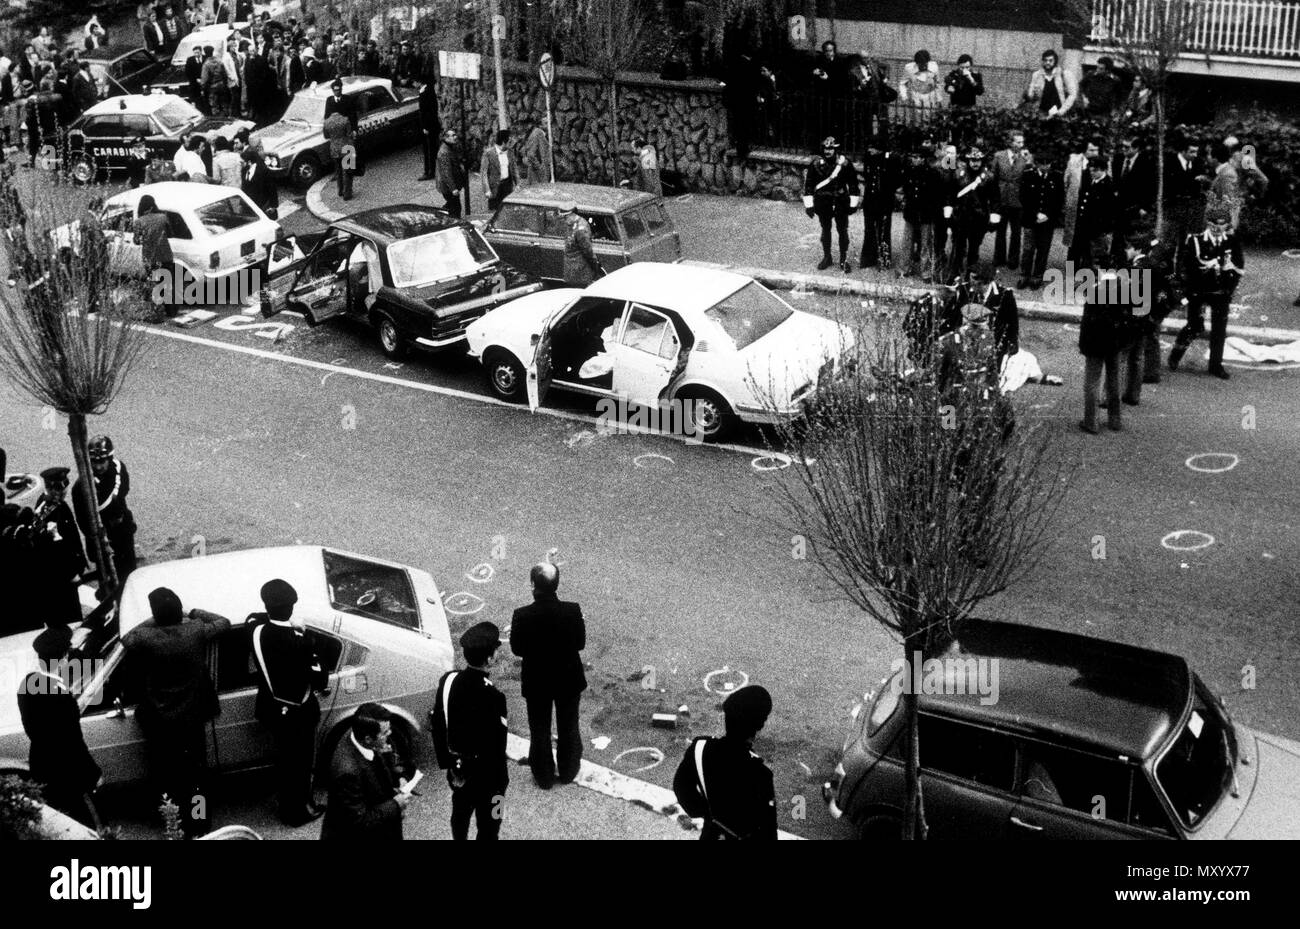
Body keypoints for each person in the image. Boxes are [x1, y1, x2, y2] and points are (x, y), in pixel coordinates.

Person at [122, 586, 230, 836]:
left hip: (159, 722)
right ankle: (200, 823)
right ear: (179, 611)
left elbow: (127, 637)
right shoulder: (194, 630)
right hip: (192, 719)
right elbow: (222, 622)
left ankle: (174, 824)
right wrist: (191, 611)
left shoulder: (146, 638)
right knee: (197, 778)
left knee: (166, 777)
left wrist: (154, 619)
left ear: (155, 614)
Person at [247, 578, 327, 826]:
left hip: (271, 707)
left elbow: (254, 617)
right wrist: (303, 634)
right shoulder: (300, 642)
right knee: (300, 766)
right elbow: (320, 679)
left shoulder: (255, 630)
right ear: (291, 607)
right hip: (298, 712)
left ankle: (288, 802)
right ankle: (296, 812)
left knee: (284, 760)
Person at [509, 562, 585, 789]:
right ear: (557, 584)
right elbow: (580, 643)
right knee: (569, 725)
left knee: (540, 729)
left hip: (537, 680)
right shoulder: (572, 610)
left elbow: (517, 649)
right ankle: (568, 770)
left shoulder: (522, 615)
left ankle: (543, 775)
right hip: (568, 678)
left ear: (533, 585)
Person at [17, 625, 102, 827]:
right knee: (85, 825)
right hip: (67, 774)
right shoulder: (62, 699)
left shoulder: (27, 684)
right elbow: (74, 743)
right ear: (63, 658)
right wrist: (93, 774)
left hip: (41, 765)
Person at [431, 621, 509, 840]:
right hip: (492, 780)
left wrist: (449, 763)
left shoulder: (448, 681)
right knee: (493, 820)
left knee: (460, 814)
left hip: (459, 772)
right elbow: (498, 746)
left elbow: (438, 724)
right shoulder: (494, 698)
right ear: (490, 658)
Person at [672, 685, 776, 840]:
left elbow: (681, 787)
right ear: (760, 725)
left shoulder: (699, 748)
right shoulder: (760, 774)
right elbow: (767, 833)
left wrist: (707, 813)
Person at [1168, 205, 1241, 380]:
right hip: (1198, 290)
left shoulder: (1232, 241)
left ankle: (1216, 366)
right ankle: (1175, 354)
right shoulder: (1195, 241)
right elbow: (1185, 265)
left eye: (1222, 226)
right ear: (1208, 224)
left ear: (1227, 226)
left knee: (1219, 329)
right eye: (1213, 225)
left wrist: (1229, 288)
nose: (1217, 230)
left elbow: (1239, 266)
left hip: (1221, 291)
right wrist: (1185, 288)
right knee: (1194, 325)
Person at [320, 702, 408, 841]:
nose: (390, 734)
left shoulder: (359, 734)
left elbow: (386, 755)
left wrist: (399, 777)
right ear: (368, 739)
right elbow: (360, 821)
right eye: (385, 733)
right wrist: (396, 805)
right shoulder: (347, 773)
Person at [72, 435, 137, 584]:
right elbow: (83, 521)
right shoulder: (81, 487)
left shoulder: (119, 468)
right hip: (102, 539)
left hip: (122, 532)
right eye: (94, 462)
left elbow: (122, 490)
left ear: (110, 458)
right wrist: (102, 540)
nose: (98, 466)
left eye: (102, 461)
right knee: (109, 582)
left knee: (129, 574)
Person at [1078, 261, 1132, 433]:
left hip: (1095, 342)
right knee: (1115, 380)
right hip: (1115, 342)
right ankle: (1115, 420)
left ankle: (1091, 421)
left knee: (1092, 381)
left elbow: (1087, 321)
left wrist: (1083, 344)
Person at [32, 466, 87, 628]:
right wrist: (72, 573)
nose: (62, 492)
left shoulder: (58, 504)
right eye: (57, 489)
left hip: (65, 576)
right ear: (48, 487)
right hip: (59, 581)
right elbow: (54, 550)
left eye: (64, 487)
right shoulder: (46, 512)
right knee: (68, 621)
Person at [802, 135, 861, 272]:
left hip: (840, 201)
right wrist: (809, 205)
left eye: (830, 149)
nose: (827, 151)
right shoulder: (816, 164)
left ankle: (843, 259)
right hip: (823, 202)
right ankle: (827, 257)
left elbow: (853, 184)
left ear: (835, 149)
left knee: (842, 231)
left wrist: (853, 204)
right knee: (825, 230)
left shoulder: (845, 164)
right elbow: (809, 184)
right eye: (825, 148)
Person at [946, 147, 997, 280]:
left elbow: (995, 199)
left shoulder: (989, 177)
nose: (975, 163)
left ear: (982, 161)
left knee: (974, 249)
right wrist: (948, 214)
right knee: (958, 247)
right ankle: (954, 274)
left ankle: (970, 276)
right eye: (973, 160)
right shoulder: (958, 174)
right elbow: (950, 196)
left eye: (978, 160)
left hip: (978, 218)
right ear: (968, 160)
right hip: (960, 217)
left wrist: (994, 218)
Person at [1017, 151, 1064, 289]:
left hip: (1047, 222)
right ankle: (1024, 274)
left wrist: (1047, 215)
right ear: (1037, 164)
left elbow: (1059, 200)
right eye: (1042, 164)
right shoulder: (1028, 175)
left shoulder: (1056, 177)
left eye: (1048, 163)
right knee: (1028, 249)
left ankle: (1037, 276)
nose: (1045, 166)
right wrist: (1036, 214)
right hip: (1031, 219)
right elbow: (1023, 197)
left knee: (1043, 249)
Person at [1110, 135, 1156, 264]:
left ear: (1137, 149)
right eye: (1122, 146)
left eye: (1127, 147)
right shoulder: (1118, 160)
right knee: (1117, 238)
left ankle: (1132, 265)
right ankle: (1116, 262)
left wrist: (1144, 207)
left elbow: (1150, 187)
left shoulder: (1147, 163)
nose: (1124, 150)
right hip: (1118, 207)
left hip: (1135, 207)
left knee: (1133, 239)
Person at [900, 144, 943, 282]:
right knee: (907, 243)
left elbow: (937, 196)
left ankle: (926, 273)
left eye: (919, 157)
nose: (916, 160)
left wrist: (933, 213)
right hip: (911, 211)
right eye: (914, 157)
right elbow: (906, 190)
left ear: (924, 159)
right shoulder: (908, 172)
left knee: (926, 244)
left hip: (926, 213)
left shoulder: (932, 173)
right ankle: (904, 269)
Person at [991, 130, 1032, 270]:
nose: (1021, 145)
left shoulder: (1025, 158)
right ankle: (999, 258)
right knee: (1000, 231)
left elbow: (1028, 179)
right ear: (1010, 142)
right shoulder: (999, 156)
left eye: (1022, 142)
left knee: (1016, 233)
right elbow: (993, 178)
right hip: (1001, 199)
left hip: (1018, 201)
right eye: (1018, 142)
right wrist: (994, 200)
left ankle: (1013, 260)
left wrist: (1028, 162)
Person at [859, 137, 901, 271]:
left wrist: (889, 193)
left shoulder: (890, 160)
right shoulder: (868, 158)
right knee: (869, 229)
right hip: (870, 200)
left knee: (884, 231)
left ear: (879, 148)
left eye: (872, 147)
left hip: (884, 201)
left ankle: (884, 259)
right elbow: (867, 176)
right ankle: (869, 258)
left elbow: (896, 180)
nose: (869, 150)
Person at [1068, 156, 1115, 269]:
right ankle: (1070, 276)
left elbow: (1109, 211)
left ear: (1103, 170)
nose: (1092, 172)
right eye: (1091, 169)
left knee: (1093, 258)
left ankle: (1089, 281)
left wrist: (1102, 229)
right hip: (1082, 225)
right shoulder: (1090, 182)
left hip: (1096, 229)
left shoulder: (1108, 186)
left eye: (1095, 170)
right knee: (1074, 251)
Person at [849, 51, 894, 143]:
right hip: (866, 100)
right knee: (867, 122)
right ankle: (868, 143)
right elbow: (853, 88)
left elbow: (887, 66)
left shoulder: (874, 64)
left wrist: (886, 78)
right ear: (859, 60)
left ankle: (884, 142)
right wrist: (860, 86)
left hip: (878, 98)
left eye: (868, 58)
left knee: (883, 121)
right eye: (864, 58)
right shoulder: (853, 71)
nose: (867, 60)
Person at [560, 200, 603, 286]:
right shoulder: (570, 225)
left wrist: (595, 266)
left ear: (572, 214)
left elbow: (587, 251)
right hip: (571, 270)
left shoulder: (581, 228)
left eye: (565, 217)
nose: (564, 220)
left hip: (581, 271)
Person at [1025, 49, 1076, 118]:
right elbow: (1030, 95)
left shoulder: (1064, 74)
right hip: (1041, 114)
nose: (1047, 62)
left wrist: (1062, 111)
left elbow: (1072, 95)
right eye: (1045, 60)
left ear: (1055, 61)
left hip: (1059, 115)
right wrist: (1032, 93)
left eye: (1050, 60)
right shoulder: (1036, 75)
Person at [899, 49, 941, 122]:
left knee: (930, 119)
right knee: (916, 120)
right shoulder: (909, 68)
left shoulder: (934, 67)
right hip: (916, 95)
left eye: (925, 64)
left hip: (930, 95)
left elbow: (938, 83)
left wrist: (939, 99)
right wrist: (904, 97)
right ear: (917, 63)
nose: (923, 66)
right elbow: (902, 84)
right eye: (921, 64)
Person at [480, 128, 516, 211]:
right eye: (509, 142)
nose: (511, 144)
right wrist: (487, 190)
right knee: (494, 211)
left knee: (507, 210)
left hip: (507, 186)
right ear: (503, 142)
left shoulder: (510, 152)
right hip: (495, 188)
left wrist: (517, 184)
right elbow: (484, 173)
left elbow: (514, 169)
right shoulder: (488, 153)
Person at [435, 128, 466, 218]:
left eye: (455, 135)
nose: (455, 137)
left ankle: (440, 214)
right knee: (455, 207)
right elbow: (446, 172)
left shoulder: (450, 148)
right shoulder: (444, 152)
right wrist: (453, 188)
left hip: (449, 185)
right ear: (446, 138)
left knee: (452, 204)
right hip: (448, 187)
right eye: (452, 136)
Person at [241, 148, 278, 218]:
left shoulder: (263, 171)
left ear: (249, 162)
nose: (241, 163)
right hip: (250, 206)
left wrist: (273, 206)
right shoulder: (244, 171)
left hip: (262, 204)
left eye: (243, 162)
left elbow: (272, 189)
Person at [417, 78, 440, 181]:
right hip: (429, 125)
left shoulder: (426, 92)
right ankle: (430, 170)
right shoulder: (426, 91)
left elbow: (428, 111)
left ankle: (430, 171)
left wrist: (426, 127)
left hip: (429, 126)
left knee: (430, 150)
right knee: (430, 149)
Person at [521, 118, 550, 186]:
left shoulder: (537, 132)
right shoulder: (537, 133)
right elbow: (531, 153)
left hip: (535, 160)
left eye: (548, 123)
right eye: (545, 123)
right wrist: (539, 167)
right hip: (535, 161)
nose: (548, 125)